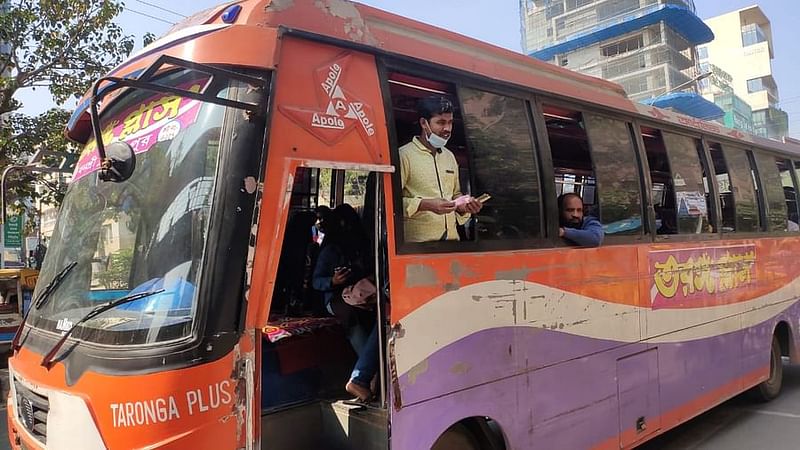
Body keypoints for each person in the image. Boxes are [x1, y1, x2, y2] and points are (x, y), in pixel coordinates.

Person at [312, 204, 377, 401]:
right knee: (352, 319)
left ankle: (368, 374)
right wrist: (333, 281)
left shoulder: (362, 247)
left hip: (361, 295)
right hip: (335, 298)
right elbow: (317, 281)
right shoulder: (330, 250)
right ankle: (368, 375)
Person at [399, 96, 482, 242]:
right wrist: (424, 205)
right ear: (424, 123)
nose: (447, 129)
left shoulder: (449, 156)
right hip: (417, 247)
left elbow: (455, 194)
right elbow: (390, 203)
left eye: (450, 122)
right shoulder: (404, 155)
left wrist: (464, 205)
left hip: (451, 243)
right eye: (441, 122)